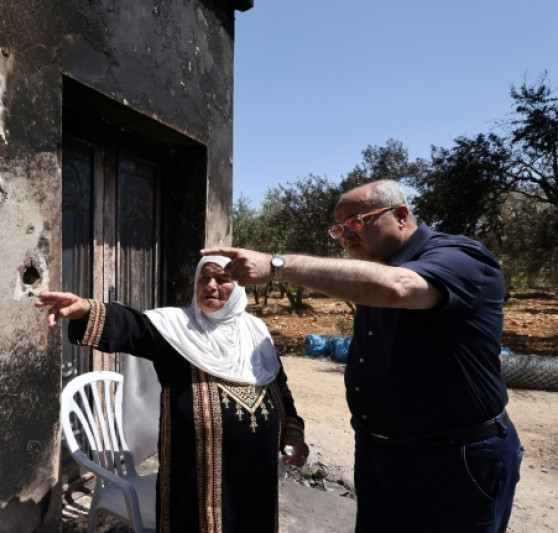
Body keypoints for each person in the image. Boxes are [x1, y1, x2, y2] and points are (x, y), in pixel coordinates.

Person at [203, 179, 523, 533]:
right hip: (380, 454)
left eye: (356, 222)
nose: (345, 236)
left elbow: (398, 288)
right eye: (338, 230)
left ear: (401, 215)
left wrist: (277, 265)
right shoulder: (376, 265)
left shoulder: (459, 257)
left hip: (453, 460)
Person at [37, 255, 309, 533]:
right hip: (197, 486)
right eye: (204, 279)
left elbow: (279, 386)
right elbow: (135, 327)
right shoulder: (178, 330)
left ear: (239, 286)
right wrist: (86, 310)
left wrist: (292, 432)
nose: (210, 286)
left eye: (222, 279)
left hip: (257, 478)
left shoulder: (256, 333)